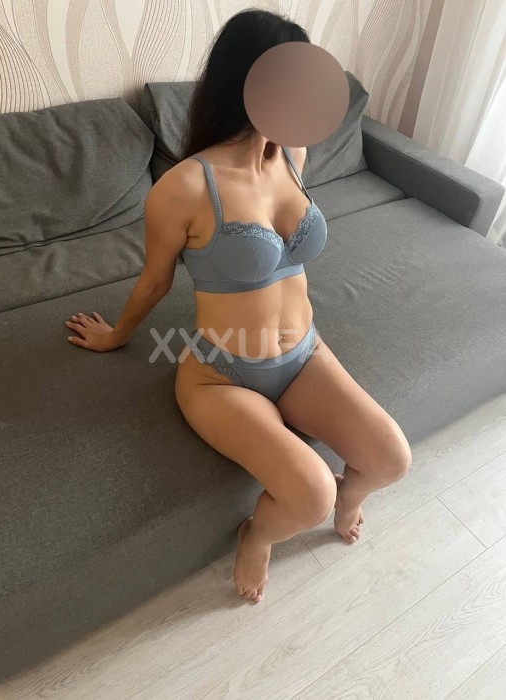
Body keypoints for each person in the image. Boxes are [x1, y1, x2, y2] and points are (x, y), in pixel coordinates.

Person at [65, 9, 412, 605]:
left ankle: (349, 496)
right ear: (246, 83)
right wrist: (117, 334)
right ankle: (258, 535)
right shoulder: (183, 187)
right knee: (309, 496)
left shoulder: (294, 153)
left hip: (304, 356)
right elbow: (153, 283)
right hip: (222, 376)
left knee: (390, 460)